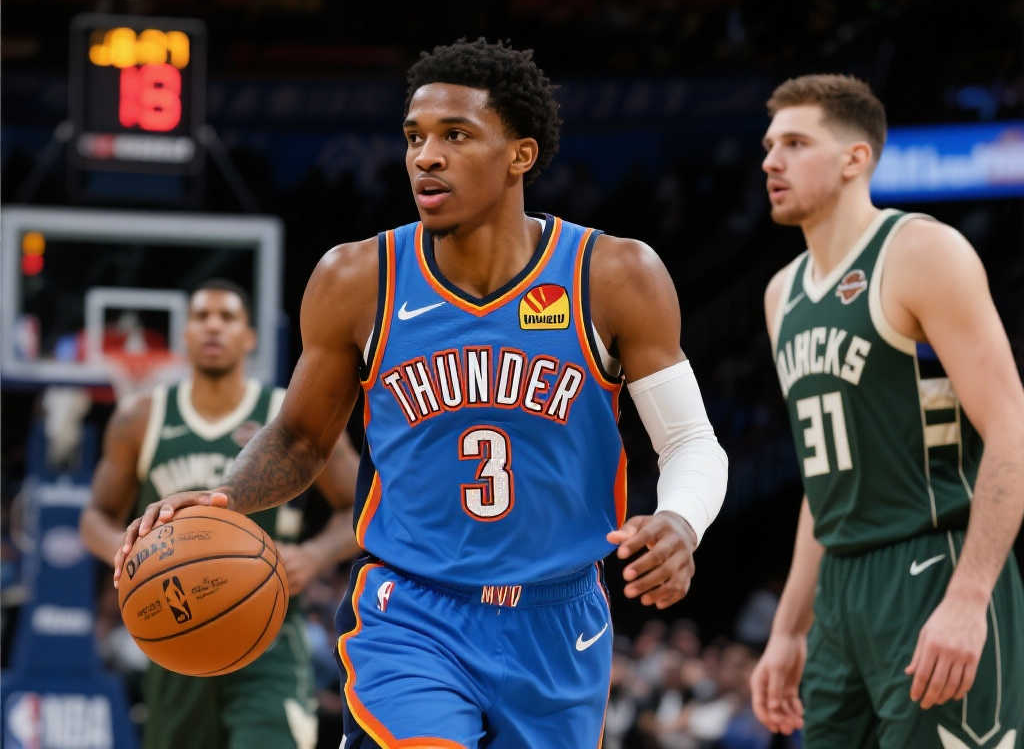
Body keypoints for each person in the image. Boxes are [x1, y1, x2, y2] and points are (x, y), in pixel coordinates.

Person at [115, 39, 729, 747]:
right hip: (410, 612)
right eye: (414, 138)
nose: (425, 157)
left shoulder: (613, 275)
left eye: (454, 136)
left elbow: (690, 442)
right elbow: (302, 437)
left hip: (559, 622)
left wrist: (681, 521)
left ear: (520, 155)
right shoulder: (357, 279)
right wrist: (224, 498)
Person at [749, 74, 1024, 748]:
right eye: (768, 146)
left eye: (795, 143)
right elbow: (826, 481)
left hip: (932, 562)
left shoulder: (922, 252)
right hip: (839, 589)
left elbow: (1012, 428)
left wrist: (969, 597)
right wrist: (789, 628)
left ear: (855, 158)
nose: (771, 162)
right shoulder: (782, 293)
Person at [81, 279, 361, 749]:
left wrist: (314, 555)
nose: (213, 326)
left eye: (227, 317)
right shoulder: (141, 418)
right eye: (201, 317)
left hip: (269, 632)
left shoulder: (288, 419)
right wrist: (133, 556)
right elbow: (95, 517)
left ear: (250, 337)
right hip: (174, 635)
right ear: (185, 334)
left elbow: (362, 505)